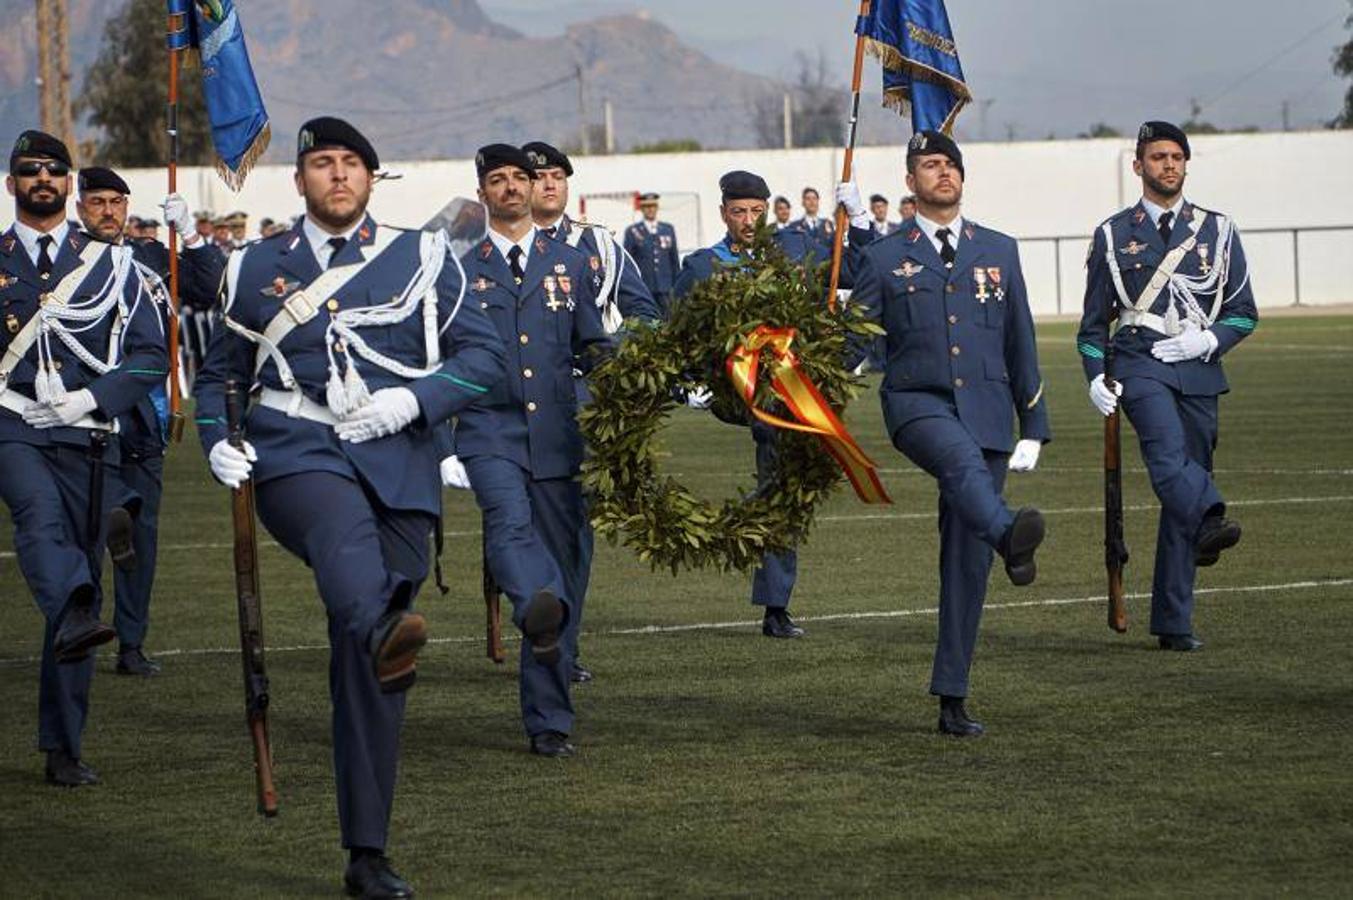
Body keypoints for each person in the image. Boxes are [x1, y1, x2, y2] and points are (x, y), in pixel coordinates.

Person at [195, 116, 506, 898]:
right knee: (356, 581)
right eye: (321, 164)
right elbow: (218, 374)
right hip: (298, 454)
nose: (337, 175)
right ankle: (381, 622)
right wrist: (214, 440)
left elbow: (483, 358)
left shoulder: (425, 257)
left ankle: (366, 851)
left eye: (350, 163)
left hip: (400, 463)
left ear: (372, 177)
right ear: (299, 181)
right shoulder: (253, 264)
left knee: (370, 657)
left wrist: (415, 401)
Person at [841, 130, 1050, 737]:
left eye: (950, 164)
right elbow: (860, 338)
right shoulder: (882, 257)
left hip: (987, 411)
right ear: (910, 182)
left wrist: (1033, 421)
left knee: (965, 560)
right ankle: (1009, 533)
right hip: (918, 404)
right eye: (930, 165)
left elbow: (1020, 339)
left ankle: (952, 696)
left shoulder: (1000, 250)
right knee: (959, 465)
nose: (943, 172)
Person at [0, 130, 167, 786]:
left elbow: (151, 354)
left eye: (53, 170)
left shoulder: (112, 265)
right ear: (12, 184)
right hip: (12, 426)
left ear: (69, 184)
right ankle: (73, 607)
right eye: (27, 170)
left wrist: (91, 399)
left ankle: (63, 746)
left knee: (82, 591)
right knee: (39, 519)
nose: (42, 178)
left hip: (88, 437)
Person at [452, 143, 611, 757]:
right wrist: (443, 439)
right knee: (512, 534)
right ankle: (530, 606)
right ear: (483, 191)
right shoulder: (458, 265)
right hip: (489, 433)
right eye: (500, 179)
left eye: (522, 177)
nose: (514, 188)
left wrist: (634, 382)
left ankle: (549, 721)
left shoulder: (570, 261)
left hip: (559, 438)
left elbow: (592, 344)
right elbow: (435, 353)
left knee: (565, 572)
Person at [1077, 120, 1253, 652]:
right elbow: (1092, 326)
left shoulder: (1218, 230)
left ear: (1185, 164)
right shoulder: (1112, 233)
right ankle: (1213, 513)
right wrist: (1093, 378)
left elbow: (1243, 314)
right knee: (1167, 456)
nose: (1168, 165)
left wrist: (1207, 341)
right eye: (1157, 157)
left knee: (1185, 480)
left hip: (1198, 367)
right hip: (1139, 361)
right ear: (1138, 166)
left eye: (1176, 156)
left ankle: (1174, 622)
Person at [74, 165, 224, 676]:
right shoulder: (67, 261)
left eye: (117, 202)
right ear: (80, 209)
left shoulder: (150, 257)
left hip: (144, 418)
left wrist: (194, 236)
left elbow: (210, 287)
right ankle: (84, 633)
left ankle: (132, 644)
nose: (110, 212)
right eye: (98, 202)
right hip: (86, 413)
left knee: (141, 539)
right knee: (88, 534)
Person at [518, 141, 658, 683]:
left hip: (585, 401)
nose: (548, 184)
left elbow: (643, 311)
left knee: (574, 528)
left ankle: (563, 645)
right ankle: (534, 618)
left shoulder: (599, 242)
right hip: (518, 406)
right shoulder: (501, 247)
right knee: (520, 528)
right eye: (537, 176)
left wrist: (614, 351)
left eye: (556, 175)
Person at [673, 170, 819, 640]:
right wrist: (686, 379)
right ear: (724, 214)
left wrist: (852, 220)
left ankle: (776, 603)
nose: (749, 220)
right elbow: (675, 327)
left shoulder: (791, 259)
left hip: (784, 390)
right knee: (777, 486)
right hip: (730, 391)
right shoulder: (703, 266)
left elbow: (849, 274)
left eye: (757, 211)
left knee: (785, 487)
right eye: (739, 211)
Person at [622, 191, 680, 320]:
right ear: (642, 209)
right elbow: (627, 263)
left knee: (668, 320)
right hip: (644, 287)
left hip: (666, 288)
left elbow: (674, 260)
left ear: (657, 208)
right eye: (647, 207)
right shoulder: (633, 231)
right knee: (648, 321)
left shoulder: (667, 229)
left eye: (653, 206)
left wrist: (677, 285)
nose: (650, 210)